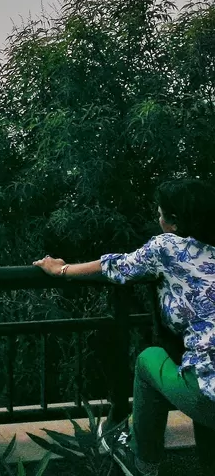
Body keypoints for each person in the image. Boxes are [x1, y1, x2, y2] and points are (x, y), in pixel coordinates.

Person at [33, 178, 215, 476]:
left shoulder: (168, 247)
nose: (158, 220)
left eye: (161, 214)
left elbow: (116, 266)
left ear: (174, 222)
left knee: (148, 361)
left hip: (208, 392)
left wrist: (61, 269)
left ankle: (142, 461)